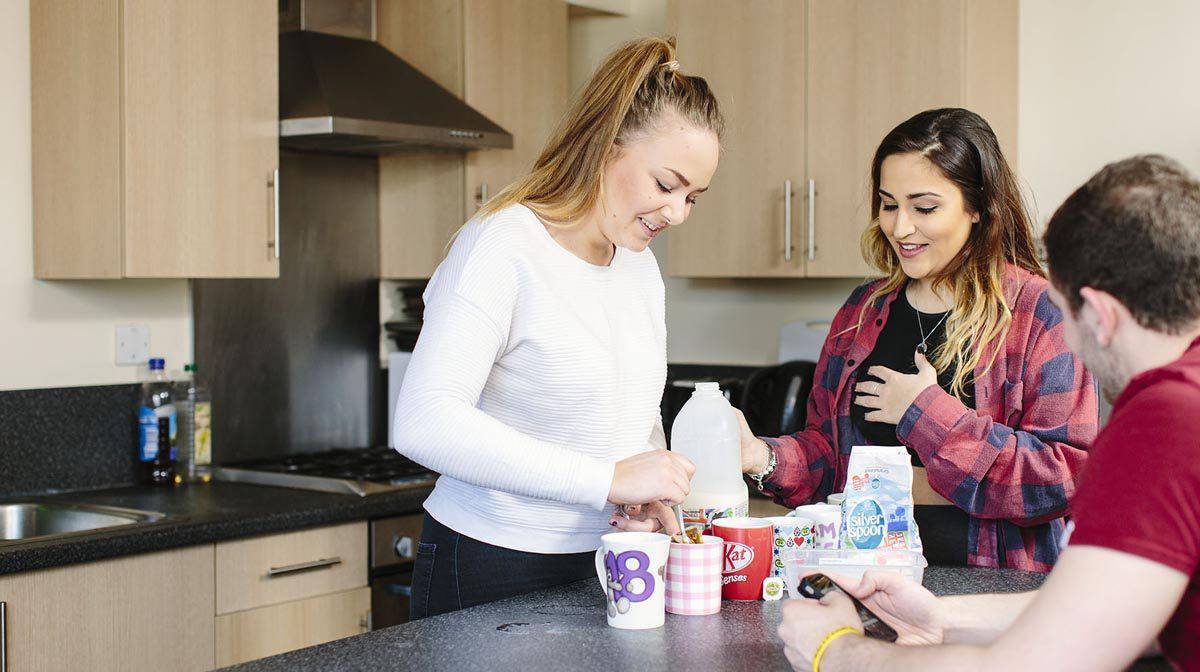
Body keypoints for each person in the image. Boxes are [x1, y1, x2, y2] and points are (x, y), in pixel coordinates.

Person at [778, 154, 1200, 672]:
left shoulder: (1163, 425)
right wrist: (940, 616)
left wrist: (835, 651)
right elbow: (1121, 608)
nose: (1067, 337)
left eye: (1067, 316)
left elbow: (1042, 660)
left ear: (1101, 314)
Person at [392, 37, 722, 620]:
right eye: (666, 185)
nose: (677, 213)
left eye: (693, 197)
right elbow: (424, 422)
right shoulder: (502, 245)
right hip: (493, 564)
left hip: (609, 564)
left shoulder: (639, 266)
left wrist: (643, 493)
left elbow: (631, 419)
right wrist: (607, 479)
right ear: (605, 144)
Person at [738, 108, 1098, 569]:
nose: (900, 228)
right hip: (869, 579)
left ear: (977, 206)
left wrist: (923, 413)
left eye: (924, 208)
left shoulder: (1038, 312)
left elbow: (1062, 480)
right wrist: (760, 456)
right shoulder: (862, 310)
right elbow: (829, 460)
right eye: (889, 205)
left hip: (994, 592)